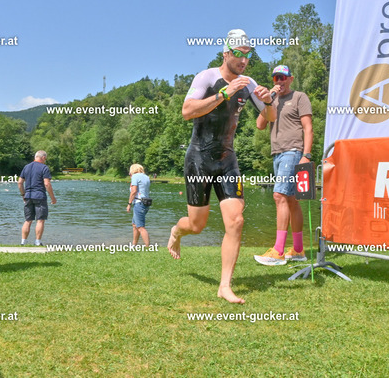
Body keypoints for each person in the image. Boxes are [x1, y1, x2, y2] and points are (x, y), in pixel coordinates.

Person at [167, 29, 276, 304]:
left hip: (227, 160)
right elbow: (187, 111)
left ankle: (224, 285)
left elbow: (270, 117)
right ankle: (177, 231)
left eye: (248, 54)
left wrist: (268, 101)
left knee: (236, 220)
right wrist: (223, 94)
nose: (244, 60)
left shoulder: (249, 83)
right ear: (226, 53)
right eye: (239, 54)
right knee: (197, 225)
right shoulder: (207, 78)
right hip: (198, 160)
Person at [254, 65, 312, 266]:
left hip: (293, 152)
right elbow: (260, 125)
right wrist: (268, 100)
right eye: (276, 78)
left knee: (279, 196)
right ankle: (298, 250)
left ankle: (278, 251)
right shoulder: (272, 101)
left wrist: (306, 155)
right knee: (292, 201)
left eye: (283, 77)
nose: (279, 81)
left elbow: (308, 128)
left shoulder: (299, 97)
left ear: (290, 79)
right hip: (277, 154)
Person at [18, 150, 56, 246]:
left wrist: (23, 195)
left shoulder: (26, 167)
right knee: (40, 220)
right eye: (45, 159)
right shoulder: (44, 167)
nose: (45, 160)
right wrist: (53, 198)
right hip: (39, 196)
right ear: (43, 157)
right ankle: (37, 242)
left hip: (28, 196)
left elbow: (19, 183)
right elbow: (47, 184)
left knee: (28, 220)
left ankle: (23, 241)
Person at [126, 163, 151, 246]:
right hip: (145, 203)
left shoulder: (135, 177)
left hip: (138, 203)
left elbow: (134, 191)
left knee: (140, 227)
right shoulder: (146, 177)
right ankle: (134, 245)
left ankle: (148, 247)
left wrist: (129, 204)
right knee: (135, 225)